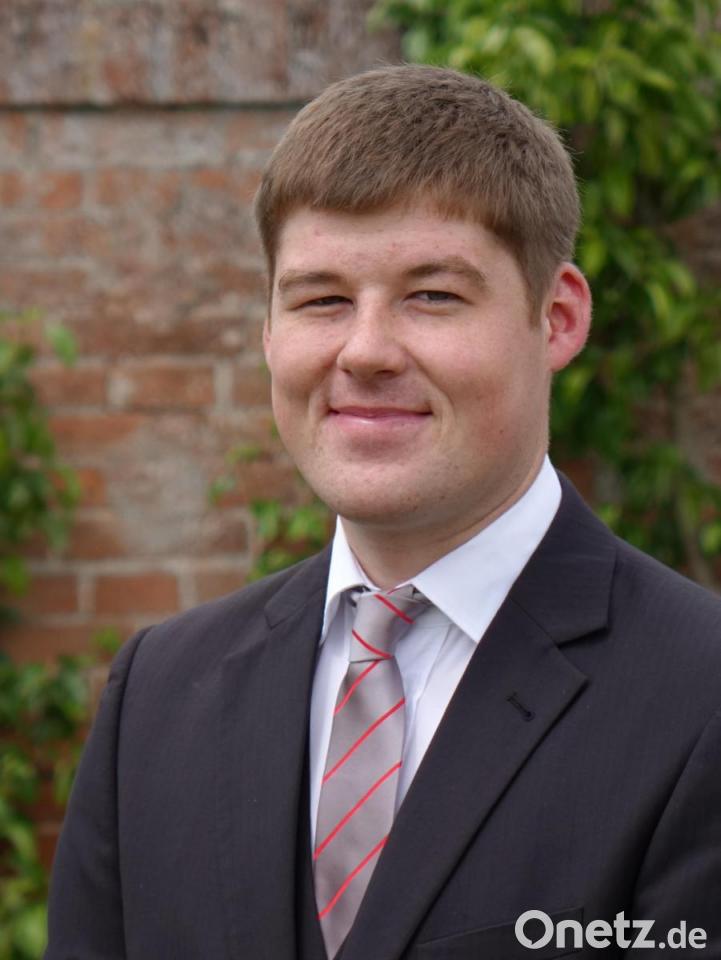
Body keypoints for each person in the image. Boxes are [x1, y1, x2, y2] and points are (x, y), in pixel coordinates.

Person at [45, 65, 721, 960]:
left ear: (556, 319)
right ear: (269, 331)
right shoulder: (160, 693)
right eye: (321, 299)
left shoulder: (700, 694)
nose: (364, 351)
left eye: (432, 295)